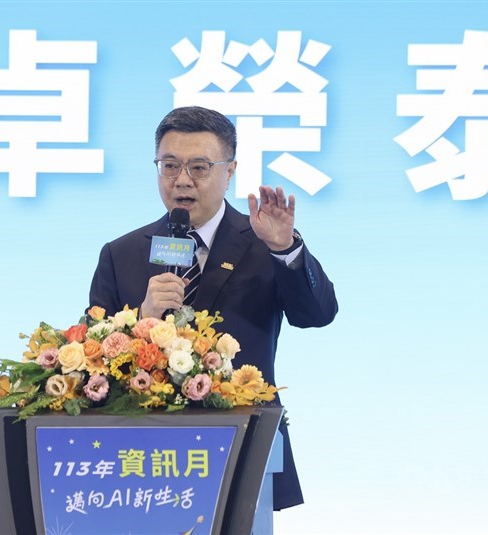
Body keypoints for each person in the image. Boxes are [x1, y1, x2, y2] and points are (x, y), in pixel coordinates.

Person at [88, 106, 338, 510]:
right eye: (169, 166)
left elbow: (318, 314)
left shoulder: (264, 243)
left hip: (243, 445)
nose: (182, 180)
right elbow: (92, 358)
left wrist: (286, 249)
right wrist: (141, 318)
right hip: (144, 460)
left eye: (199, 167)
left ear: (230, 171)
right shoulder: (122, 254)